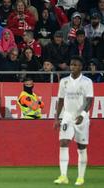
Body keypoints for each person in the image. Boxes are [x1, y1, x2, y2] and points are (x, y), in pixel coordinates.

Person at [53, 56, 94, 186]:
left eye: (76, 65)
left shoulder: (87, 82)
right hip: (67, 116)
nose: (73, 67)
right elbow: (60, 100)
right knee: (63, 142)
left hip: (81, 118)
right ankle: (63, 176)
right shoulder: (64, 81)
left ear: (81, 67)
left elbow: (89, 100)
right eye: (71, 64)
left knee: (81, 147)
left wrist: (83, 114)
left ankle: (80, 177)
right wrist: (57, 118)